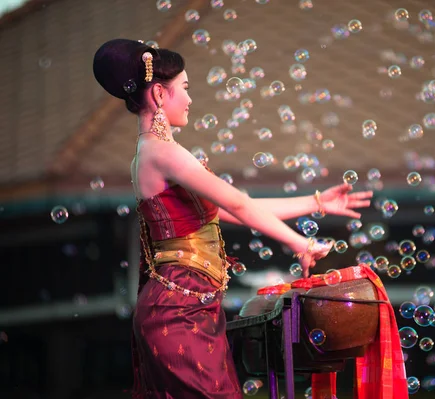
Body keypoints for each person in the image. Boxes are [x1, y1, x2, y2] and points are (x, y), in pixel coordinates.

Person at [92, 39, 373, 398]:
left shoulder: (157, 153)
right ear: (160, 95)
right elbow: (239, 204)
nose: (191, 99)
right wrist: (298, 241)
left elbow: (230, 209)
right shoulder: (161, 153)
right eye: (186, 88)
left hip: (191, 306)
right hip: (177, 312)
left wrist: (317, 202)